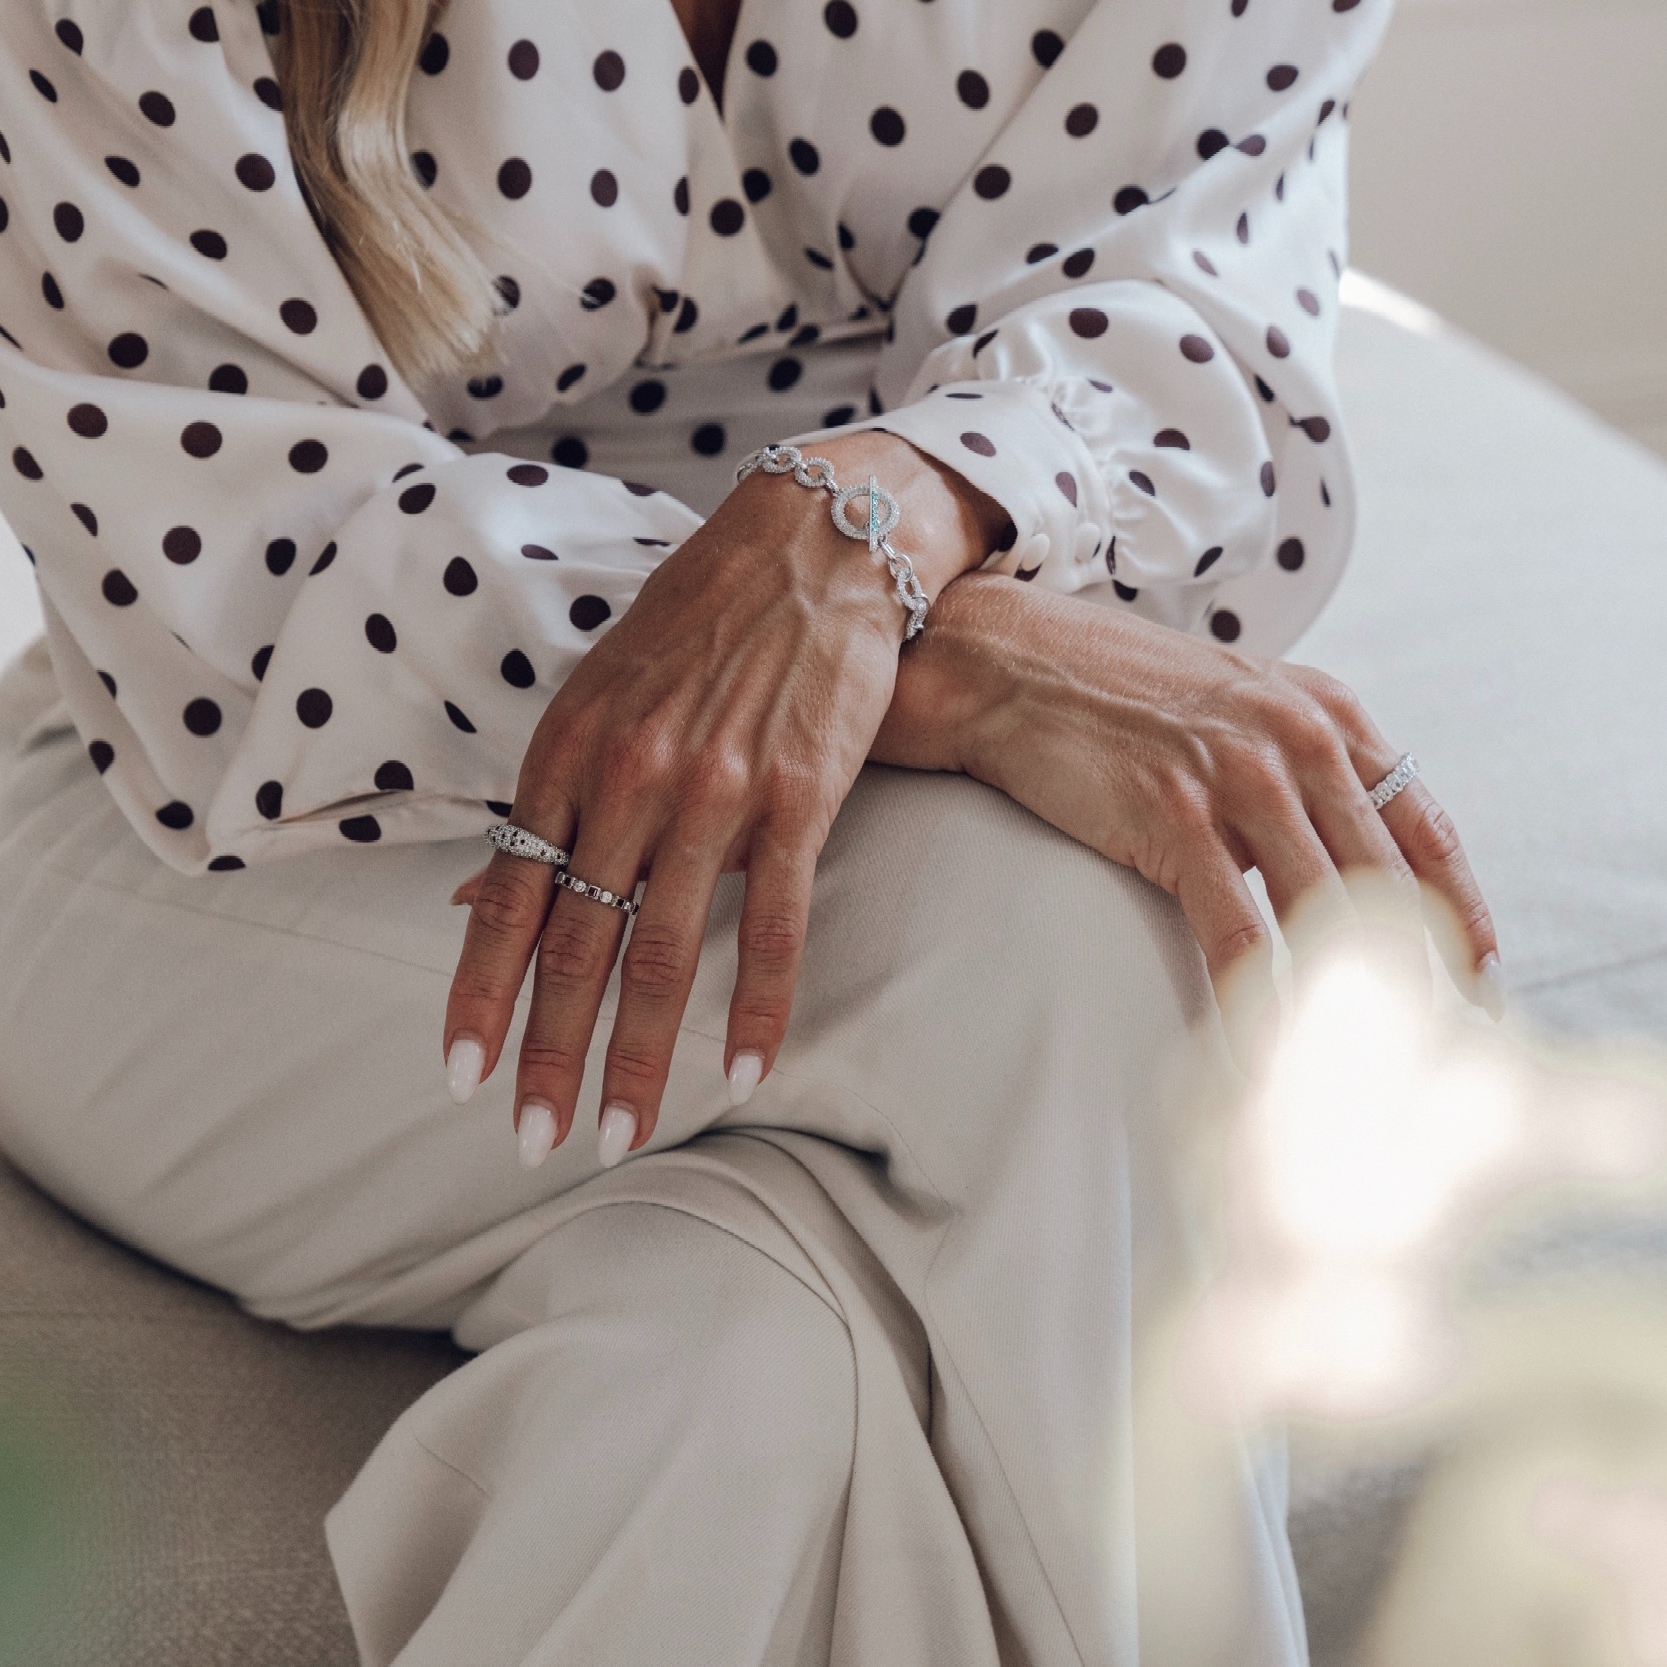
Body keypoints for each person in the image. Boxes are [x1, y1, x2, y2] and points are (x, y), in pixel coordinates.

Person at [0, 0, 1500, 1661]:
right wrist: (902, 637)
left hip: (853, 814)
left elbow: (1192, 363)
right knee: (1075, 939)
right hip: (220, 833)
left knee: (746, 1370)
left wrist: (878, 537)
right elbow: (247, 577)